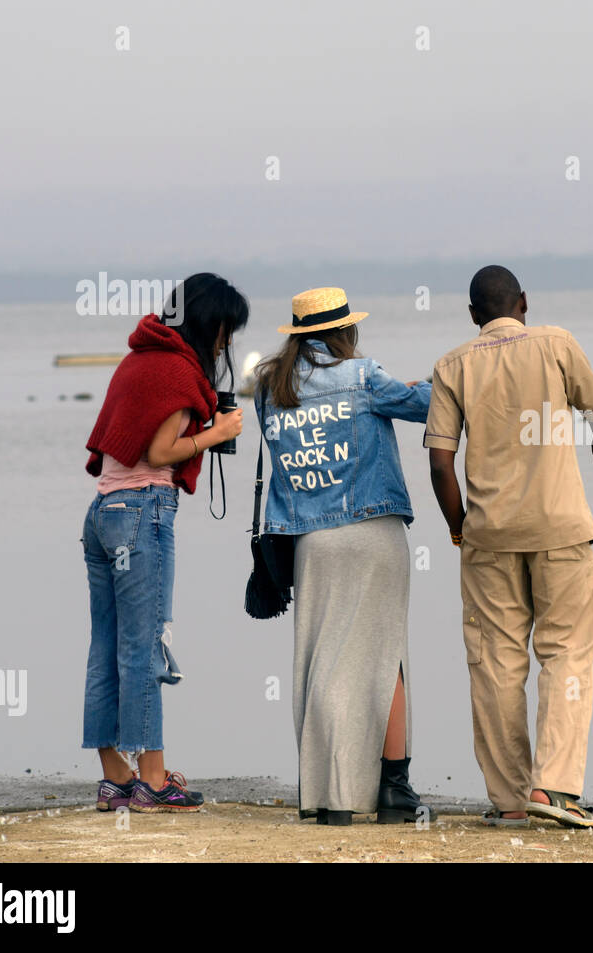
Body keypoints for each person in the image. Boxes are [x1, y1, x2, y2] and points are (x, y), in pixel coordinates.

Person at [425, 265, 593, 829]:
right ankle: (553, 787)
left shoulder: (451, 365)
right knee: (566, 653)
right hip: (560, 529)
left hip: (488, 536)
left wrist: (460, 527)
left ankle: (510, 800)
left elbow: (440, 461)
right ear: (524, 301)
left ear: (472, 315)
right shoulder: (557, 344)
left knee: (494, 664)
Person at [255, 287, 435, 826]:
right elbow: (430, 406)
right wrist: (418, 384)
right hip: (372, 532)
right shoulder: (363, 376)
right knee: (387, 658)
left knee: (322, 662)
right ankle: (393, 790)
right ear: (345, 332)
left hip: (312, 541)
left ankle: (331, 795)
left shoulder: (271, 388)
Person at [82, 272, 248, 813]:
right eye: (226, 332)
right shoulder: (178, 369)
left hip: (102, 513)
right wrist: (218, 433)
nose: (226, 344)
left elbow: (116, 442)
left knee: (107, 647)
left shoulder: (138, 359)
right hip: (142, 511)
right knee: (146, 645)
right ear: (210, 323)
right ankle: (152, 779)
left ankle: (116, 777)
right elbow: (159, 452)